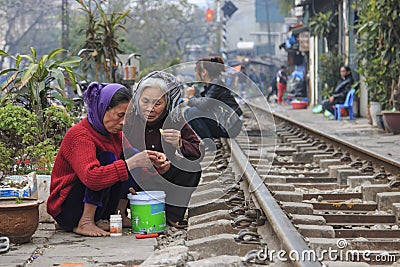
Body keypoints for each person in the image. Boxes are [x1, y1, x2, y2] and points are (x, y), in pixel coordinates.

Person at [47, 82, 166, 237]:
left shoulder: (115, 136)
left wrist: (154, 164)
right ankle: (85, 222)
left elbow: (134, 162)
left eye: (127, 116)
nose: (123, 122)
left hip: (99, 208)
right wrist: (132, 162)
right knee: (109, 158)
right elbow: (92, 178)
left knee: (130, 155)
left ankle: (120, 215)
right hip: (68, 210)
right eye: (120, 115)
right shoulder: (80, 135)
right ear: (103, 109)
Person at [124, 71, 203, 229]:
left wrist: (180, 143)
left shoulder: (173, 119)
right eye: (145, 101)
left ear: (167, 104)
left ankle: (172, 215)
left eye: (157, 103)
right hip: (135, 180)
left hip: (163, 178)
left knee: (191, 167)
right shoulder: (129, 119)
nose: (150, 108)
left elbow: (199, 151)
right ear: (137, 99)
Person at [183, 56, 243, 151]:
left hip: (230, 126)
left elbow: (204, 105)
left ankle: (210, 145)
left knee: (191, 112)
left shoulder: (216, 85)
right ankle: (209, 142)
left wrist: (190, 98)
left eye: (196, 71)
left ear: (204, 72)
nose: (195, 74)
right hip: (228, 124)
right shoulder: (212, 85)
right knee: (190, 112)